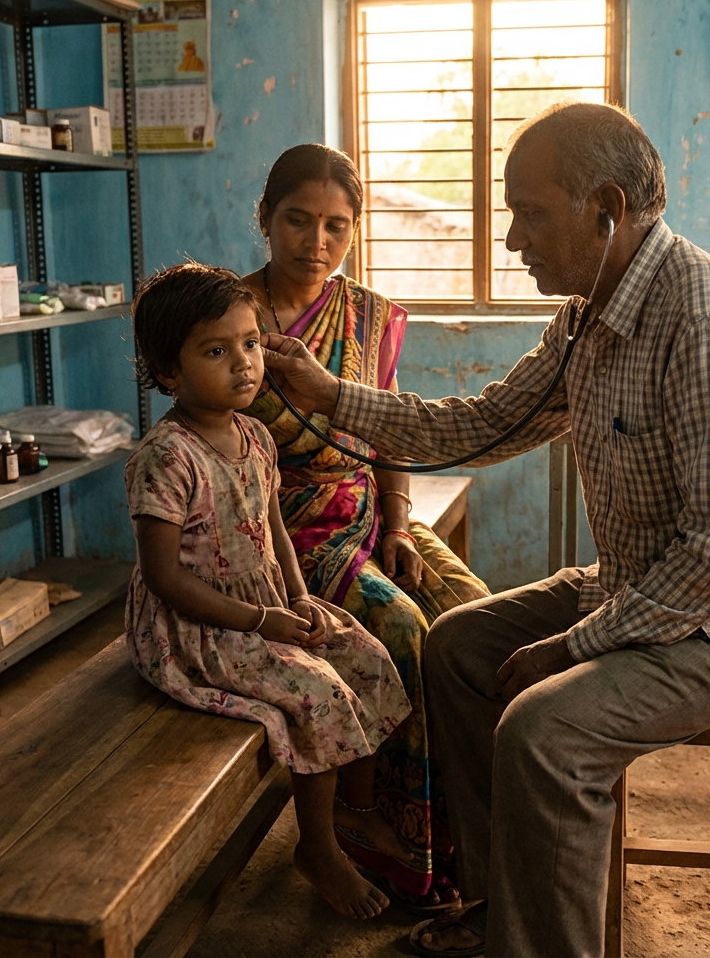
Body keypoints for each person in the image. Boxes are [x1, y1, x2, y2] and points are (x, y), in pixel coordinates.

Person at [260, 102, 710, 956]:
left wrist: (578, 646)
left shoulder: (709, 319)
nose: (510, 239)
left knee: (545, 730)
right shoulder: (586, 322)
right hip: (648, 585)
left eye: (528, 212)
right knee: (456, 645)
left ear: (603, 210)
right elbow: (480, 425)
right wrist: (331, 396)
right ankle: (504, 910)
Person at [238, 143, 490, 910]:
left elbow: (386, 433)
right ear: (266, 219)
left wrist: (401, 528)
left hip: (367, 510)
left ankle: (469, 835)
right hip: (282, 528)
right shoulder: (231, 315)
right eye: (298, 221)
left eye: (336, 227)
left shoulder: (367, 316)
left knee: (479, 617)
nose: (316, 243)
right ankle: (378, 837)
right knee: (404, 631)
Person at [122, 262, 415, 920]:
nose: (244, 364)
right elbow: (166, 580)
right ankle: (316, 850)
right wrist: (263, 620)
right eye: (216, 351)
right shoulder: (166, 457)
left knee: (365, 656)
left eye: (252, 343)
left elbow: (272, 525)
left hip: (261, 606)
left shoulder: (254, 434)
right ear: (168, 372)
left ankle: (354, 811)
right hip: (195, 627)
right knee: (318, 691)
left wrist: (298, 600)